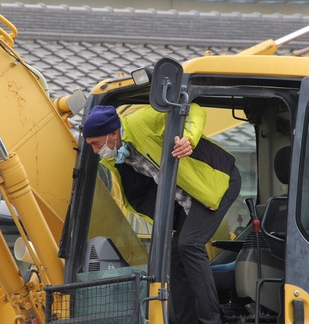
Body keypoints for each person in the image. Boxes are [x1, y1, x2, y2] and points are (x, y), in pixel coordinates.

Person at [82, 104, 241, 324]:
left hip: (217, 182)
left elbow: (192, 109)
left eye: (96, 144)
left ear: (114, 133)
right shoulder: (116, 158)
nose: (95, 151)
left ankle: (211, 320)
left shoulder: (142, 121)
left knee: (189, 244)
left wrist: (188, 139)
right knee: (174, 255)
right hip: (188, 199)